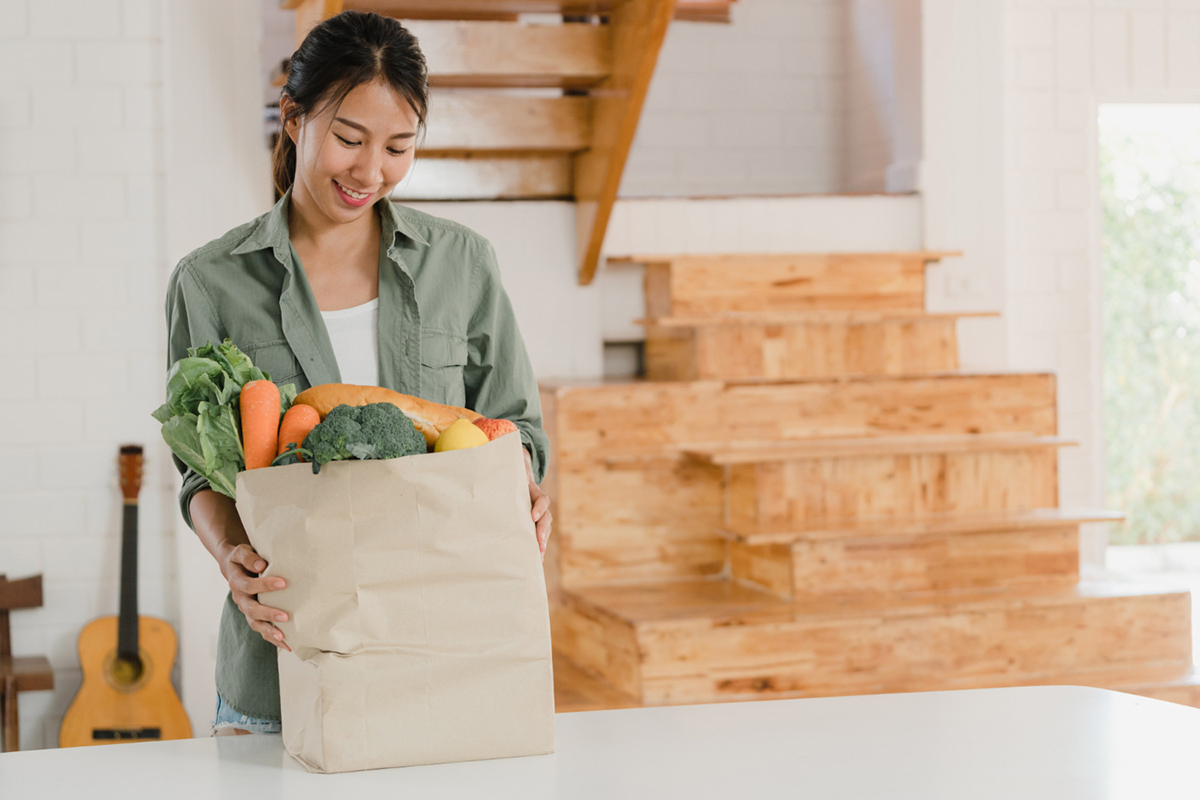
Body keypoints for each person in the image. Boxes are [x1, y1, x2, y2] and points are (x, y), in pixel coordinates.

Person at [164, 10, 553, 737]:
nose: (371, 171)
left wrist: (522, 487)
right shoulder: (210, 281)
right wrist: (231, 559)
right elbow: (199, 473)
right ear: (293, 118)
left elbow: (516, 426)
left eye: (399, 147)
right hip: (282, 656)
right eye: (348, 138)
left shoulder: (461, 265)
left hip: (448, 656)